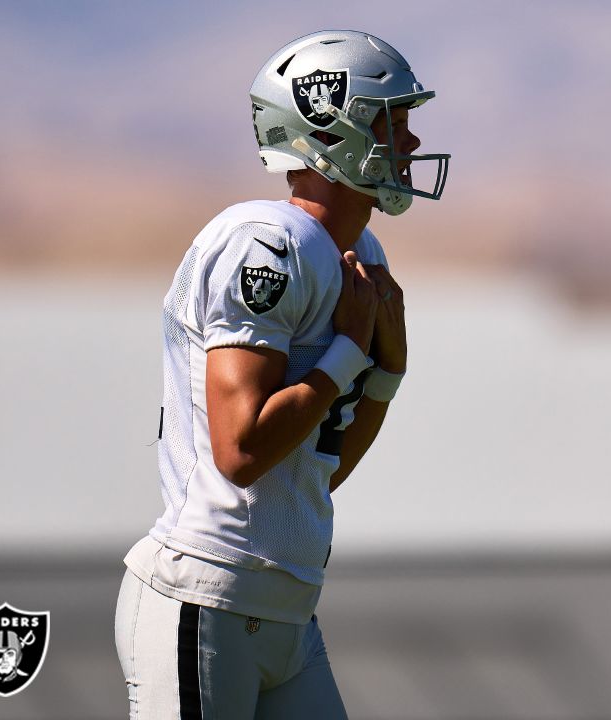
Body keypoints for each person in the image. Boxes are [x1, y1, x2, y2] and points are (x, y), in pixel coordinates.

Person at [113, 30, 449, 719]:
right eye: (394, 122)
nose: (411, 144)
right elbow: (241, 452)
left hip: (286, 609)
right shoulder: (265, 243)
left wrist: (386, 376)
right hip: (205, 596)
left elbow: (317, 470)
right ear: (333, 127)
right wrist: (351, 353)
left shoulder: (362, 251)